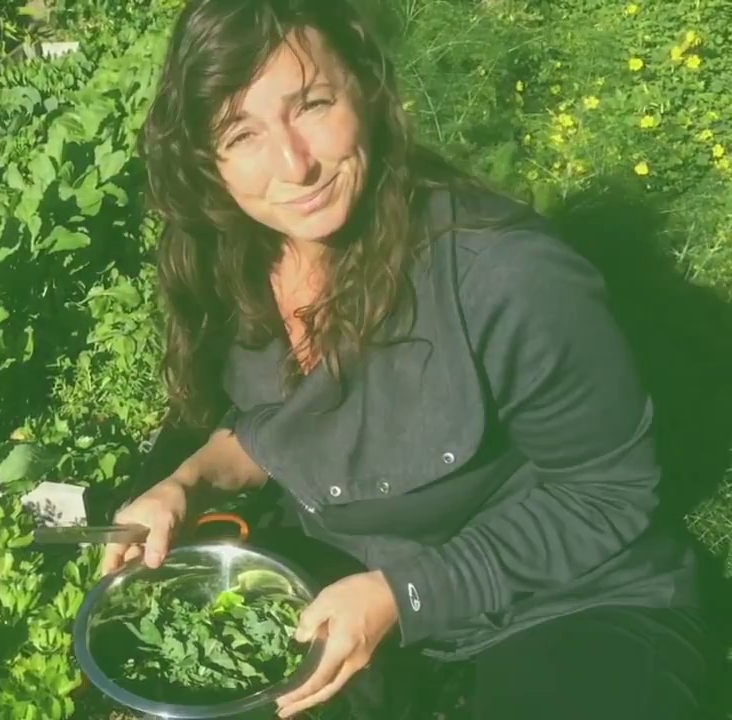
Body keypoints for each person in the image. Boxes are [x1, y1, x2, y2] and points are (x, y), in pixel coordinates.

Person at [101, 0, 720, 718]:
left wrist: (407, 594)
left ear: (367, 86)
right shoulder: (238, 254)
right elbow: (281, 423)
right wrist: (188, 481)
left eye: (312, 105)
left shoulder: (508, 277)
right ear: (209, 160)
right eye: (243, 133)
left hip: (567, 596)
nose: (294, 166)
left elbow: (609, 492)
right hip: (352, 584)